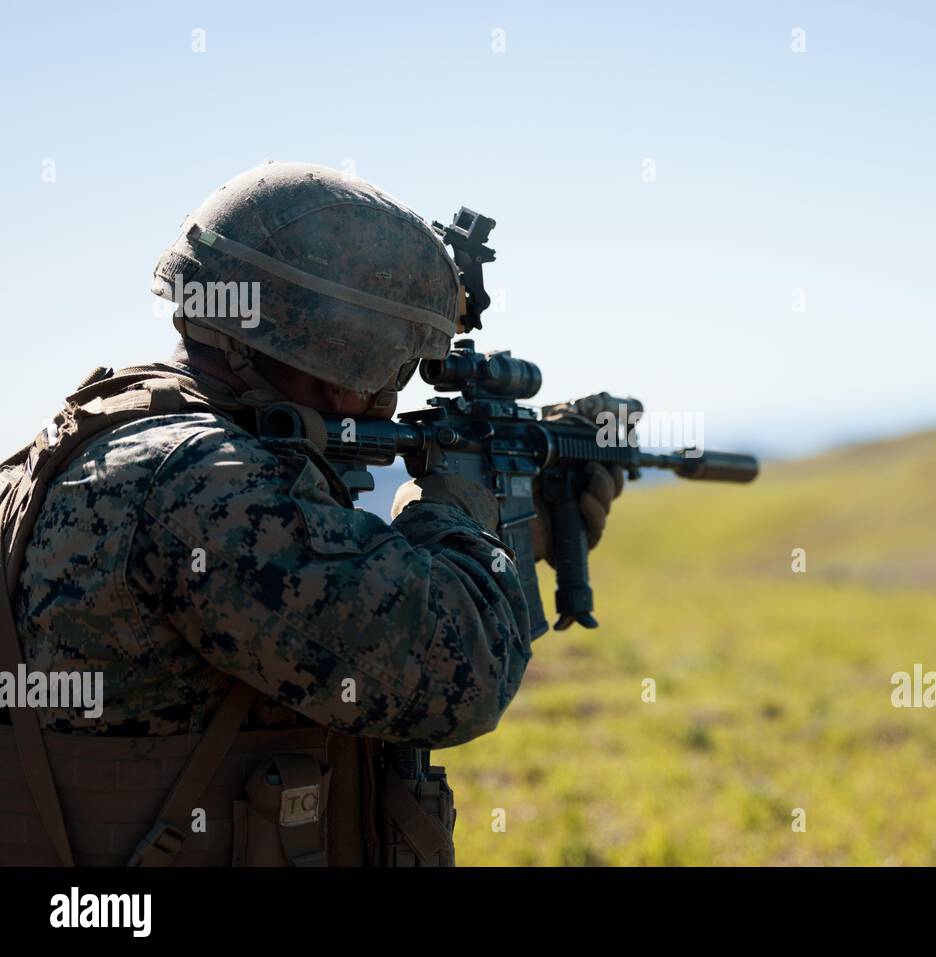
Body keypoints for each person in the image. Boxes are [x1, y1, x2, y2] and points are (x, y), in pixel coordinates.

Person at [0, 161, 621, 867]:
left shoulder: (114, 440)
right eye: (390, 367)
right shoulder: (203, 484)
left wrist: (514, 524)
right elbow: (458, 678)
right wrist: (459, 513)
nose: (387, 402)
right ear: (333, 341)